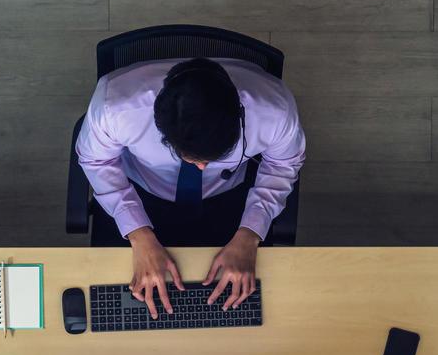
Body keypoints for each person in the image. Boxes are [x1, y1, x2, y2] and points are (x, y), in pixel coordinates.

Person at [77, 57, 305, 319]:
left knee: (245, 305)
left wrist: (250, 233)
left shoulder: (274, 110)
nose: (200, 168)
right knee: (118, 303)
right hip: (140, 192)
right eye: (191, 158)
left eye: (210, 159)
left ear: (240, 116)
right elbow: (96, 159)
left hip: (227, 194)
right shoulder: (115, 106)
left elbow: (283, 163)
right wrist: (138, 233)